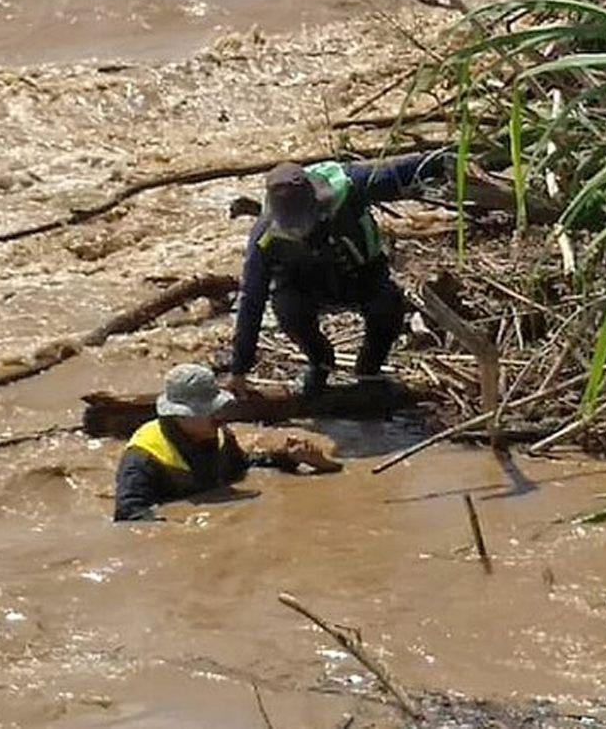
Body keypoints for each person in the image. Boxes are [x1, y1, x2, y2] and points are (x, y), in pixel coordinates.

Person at [225, 149, 450, 397]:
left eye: (302, 222)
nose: (298, 231)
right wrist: (239, 369)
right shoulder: (264, 236)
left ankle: (369, 371)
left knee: (388, 306)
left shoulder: (351, 187)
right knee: (287, 310)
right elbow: (251, 300)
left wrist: (452, 159)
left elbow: (403, 171)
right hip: (305, 286)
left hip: (361, 275)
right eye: (290, 227)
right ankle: (320, 362)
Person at [114, 363, 342, 522]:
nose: (219, 416)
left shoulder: (220, 435)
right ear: (180, 415)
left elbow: (243, 466)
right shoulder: (142, 457)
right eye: (208, 411)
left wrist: (290, 457)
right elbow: (130, 515)